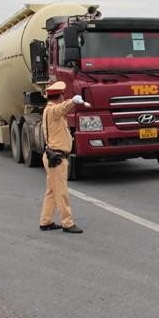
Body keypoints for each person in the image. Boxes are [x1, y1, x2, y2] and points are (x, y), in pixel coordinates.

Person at [39, 80, 90, 234]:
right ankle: (67, 223)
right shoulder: (53, 111)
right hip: (57, 157)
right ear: (59, 96)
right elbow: (62, 109)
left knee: (52, 191)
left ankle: (46, 221)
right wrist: (72, 101)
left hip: (53, 156)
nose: (63, 97)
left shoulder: (50, 110)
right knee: (61, 192)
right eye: (63, 95)